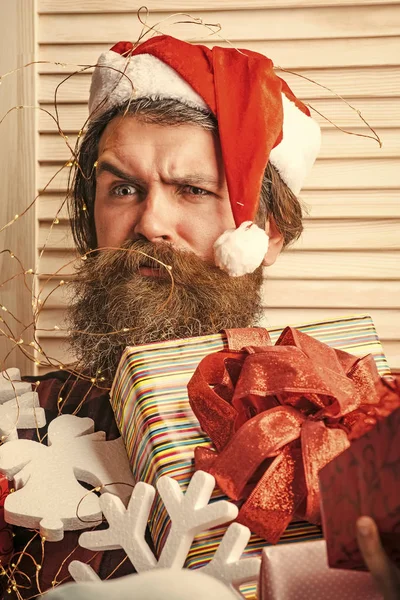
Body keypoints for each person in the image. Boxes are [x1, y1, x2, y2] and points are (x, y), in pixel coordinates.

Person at [1, 34, 398, 599]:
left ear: (268, 234)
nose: (150, 223)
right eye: (124, 188)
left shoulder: (360, 411)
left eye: (191, 189)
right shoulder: (16, 426)